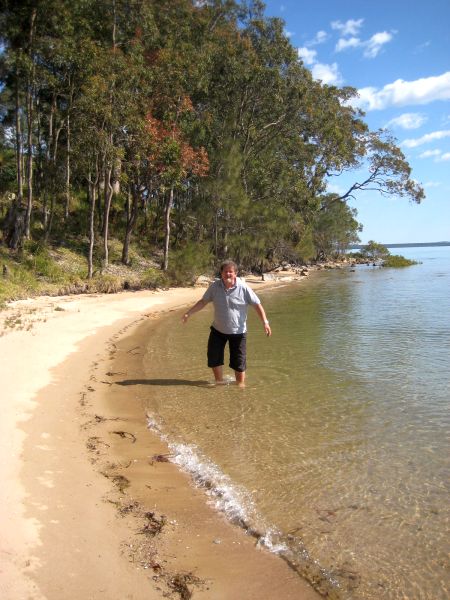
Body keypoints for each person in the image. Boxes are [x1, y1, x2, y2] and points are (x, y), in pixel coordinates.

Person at [182, 260, 271, 386]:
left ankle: (240, 386)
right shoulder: (215, 287)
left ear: (235, 274)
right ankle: (219, 382)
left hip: (238, 332)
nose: (228, 274)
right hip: (218, 330)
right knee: (214, 357)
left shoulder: (243, 288)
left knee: (239, 362)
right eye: (225, 271)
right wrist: (188, 313)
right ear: (221, 273)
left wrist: (265, 323)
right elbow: (203, 302)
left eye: (231, 272)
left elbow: (257, 305)